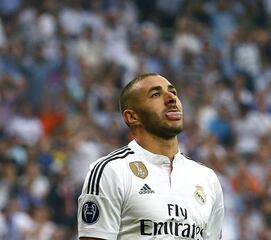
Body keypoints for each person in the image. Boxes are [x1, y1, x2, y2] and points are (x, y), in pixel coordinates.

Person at [77, 72, 224, 239]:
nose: (171, 99)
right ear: (132, 117)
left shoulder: (207, 179)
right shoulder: (111, 171)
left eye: (173, 92)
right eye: (156, 94)